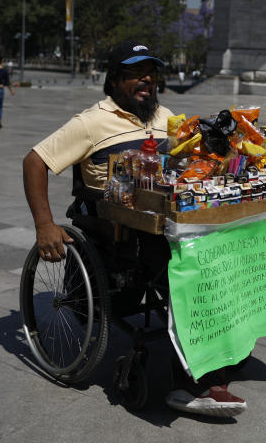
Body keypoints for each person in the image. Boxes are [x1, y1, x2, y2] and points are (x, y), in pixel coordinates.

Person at [21, 40, 247, 418]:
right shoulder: (91, 122)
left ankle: (218, 346)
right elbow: (34, 161)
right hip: (117, 233)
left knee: (232, 249)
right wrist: (44, 224)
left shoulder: (165, 117)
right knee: (190, 268)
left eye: (152, 74)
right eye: (136, 73)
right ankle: (192, 386)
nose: (147, 80)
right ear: (113, 81)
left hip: (166, 221)